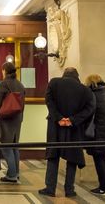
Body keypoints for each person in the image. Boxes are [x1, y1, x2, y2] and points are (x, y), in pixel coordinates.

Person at [39, 67, 95, 197]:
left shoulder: (54, 83)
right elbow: (90, 108)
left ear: (64, 74)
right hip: (74, 128)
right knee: (72, 158)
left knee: (53, 156)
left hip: (55, 126)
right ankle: (69, 189)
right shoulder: (85, 90)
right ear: (77, 76)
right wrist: (72, 120)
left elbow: (49, 101)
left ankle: (50, 188)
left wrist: (58, 118)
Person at [0, 62, 25, 183]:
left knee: (6, 147)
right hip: (17, 119)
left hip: (6, 119)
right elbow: (22, 105)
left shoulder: (3, 84)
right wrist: (20, 118)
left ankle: (11, 175)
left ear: (4, 70)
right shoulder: (20, 85)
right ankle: (16, 173)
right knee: (15, 146)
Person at [85, 74, 105, 196]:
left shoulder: (93, 96)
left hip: (98, 133)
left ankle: (103, 188)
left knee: (99, 159)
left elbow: (89, 114)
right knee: (104, 158)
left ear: (91, 84)